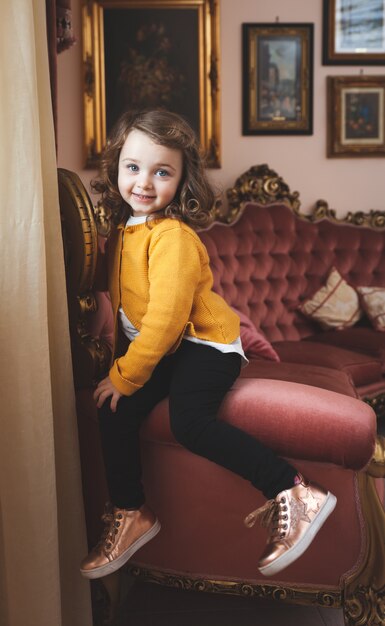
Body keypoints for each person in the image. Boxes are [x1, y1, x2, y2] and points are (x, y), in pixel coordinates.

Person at [80, 109, 336, 580]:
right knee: (113, 410)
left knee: (190, 421)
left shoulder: (173, 237)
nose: (143, 182)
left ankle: (293, 489)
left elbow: (164, 320)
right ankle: (133, 511)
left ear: (183, 180)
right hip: (170, 348)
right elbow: (119, 302)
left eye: (162, 172)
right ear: (116, 166)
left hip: (205, 345)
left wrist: (124, 374)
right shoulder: (124, 232)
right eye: (133, 167)